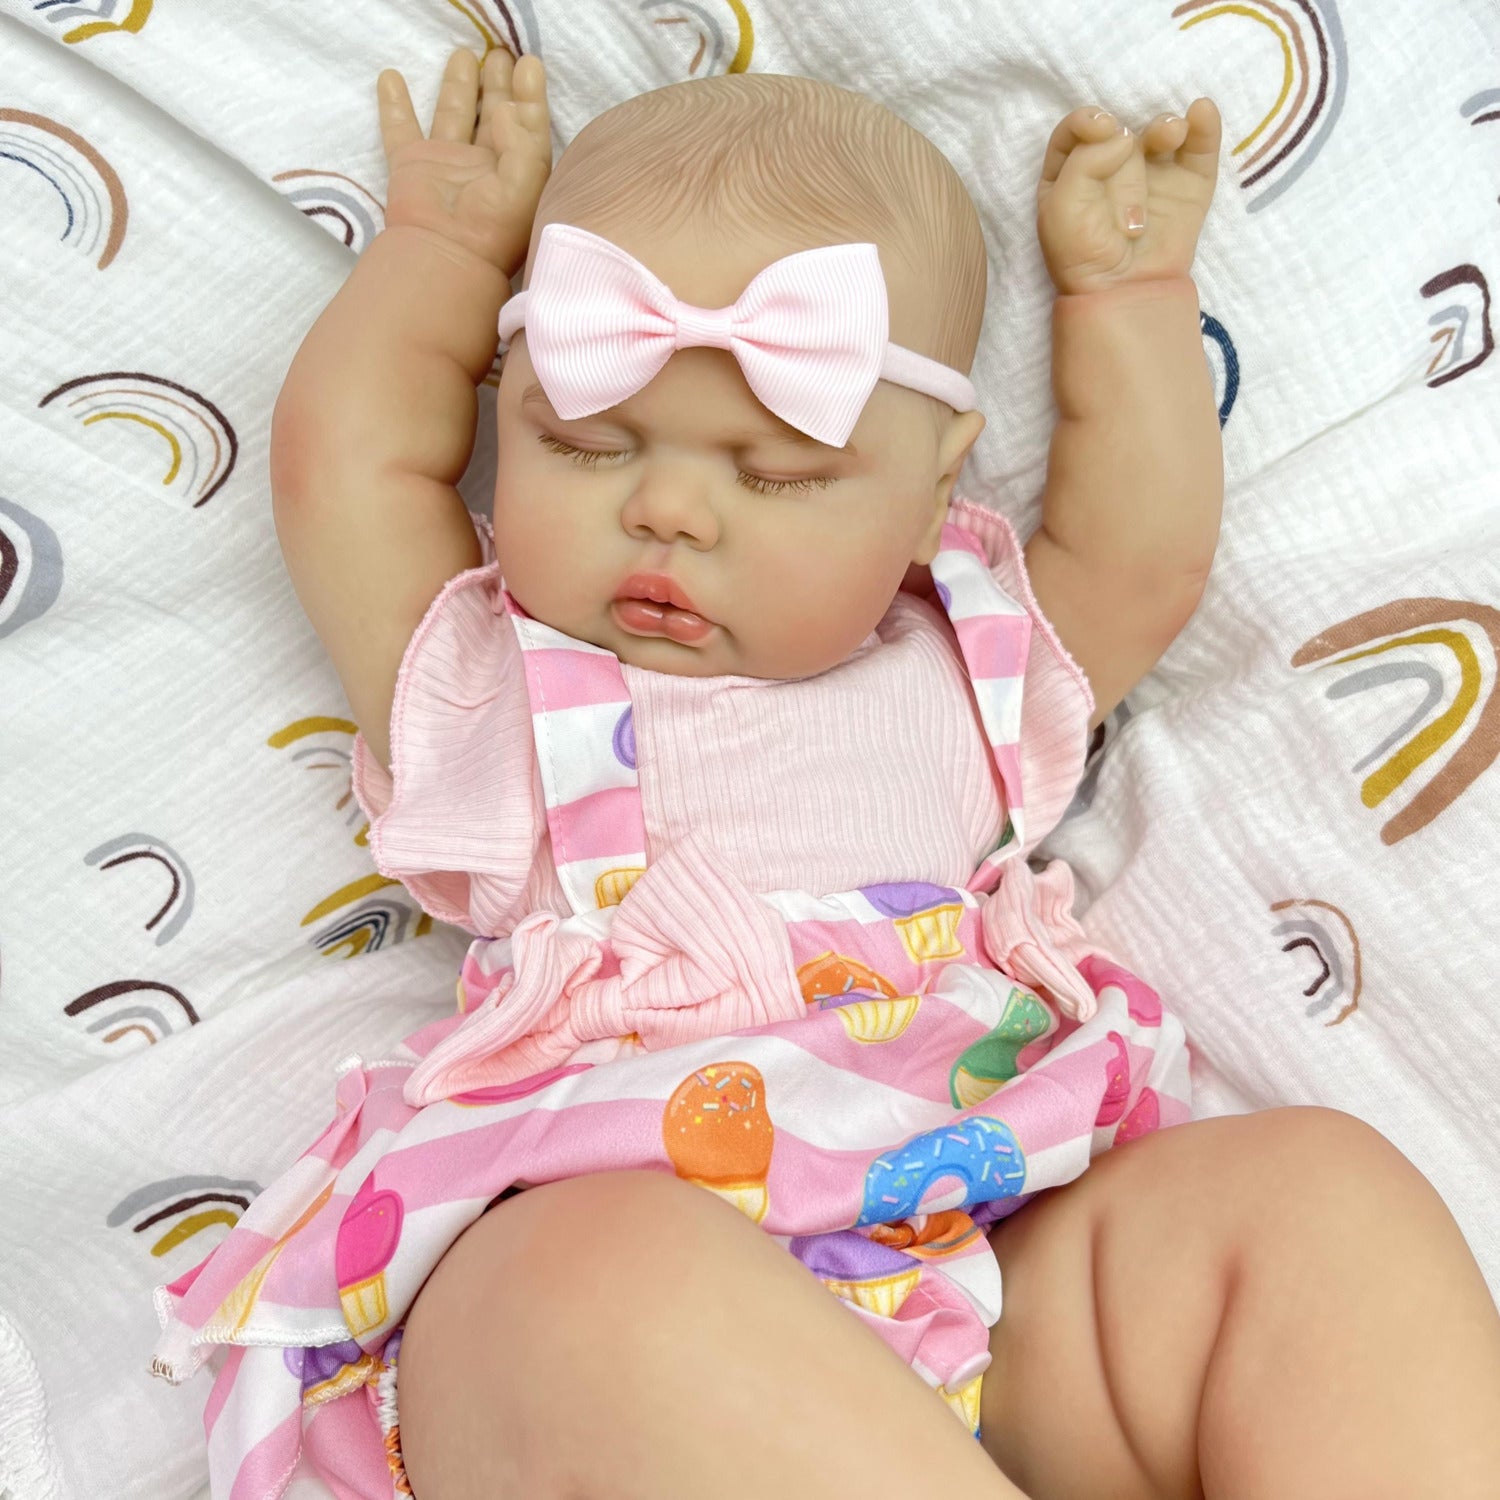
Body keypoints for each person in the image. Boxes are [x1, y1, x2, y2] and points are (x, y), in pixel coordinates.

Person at [152, 46, 1500, 1500]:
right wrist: (439, 249)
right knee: (584, 1287)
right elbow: (349, 470)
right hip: (608, 1304)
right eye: (584, 443)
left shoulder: (964, 676)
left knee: (1318, 1202)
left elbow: (1138, 556)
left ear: (935, 493)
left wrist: (1127, 304)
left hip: (978, 1264)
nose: (670, 509)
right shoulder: (491, 684)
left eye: (777, 473)